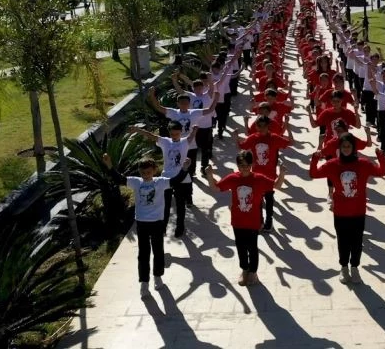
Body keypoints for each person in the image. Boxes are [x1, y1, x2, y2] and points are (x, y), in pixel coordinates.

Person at [102, 153, 190, 298]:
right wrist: (109, 165)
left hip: (157, 223)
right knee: (143, 254)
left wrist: (185, 168)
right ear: (139, 172)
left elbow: (176, 180)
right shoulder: (136, 182)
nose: (146, 175)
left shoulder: (160, 182)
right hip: (142, 223)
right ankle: (144, 283)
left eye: (148, 172)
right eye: (143, 173)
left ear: (154, 170)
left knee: (158, 251)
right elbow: (119, 178)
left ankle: (157, 276)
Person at [310, 135, 385, 285]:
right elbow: (314, 174)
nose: (346, 149)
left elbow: (381, 172)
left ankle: (355, 268)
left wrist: (381, 157)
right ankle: (344, 267)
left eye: (349, 146)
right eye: (343, 146)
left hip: (358, 211)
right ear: (339, 148)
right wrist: (314, 159)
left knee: (357, 242)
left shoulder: (363, 164)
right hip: (341, 212)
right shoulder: (333, 164)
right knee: (343, 241)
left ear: (354, 148)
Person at [206, 150, 287, 286]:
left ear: (251, 164)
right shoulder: (233, 178)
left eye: (246, 165)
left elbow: (276, 185)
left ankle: (253, 272)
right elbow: (216, 187)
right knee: (240, 247)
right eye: (241, 165)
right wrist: (209, 175)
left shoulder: (258, 179)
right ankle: (244, 269)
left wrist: (282, 173)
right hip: (237, 221)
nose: (244, 168)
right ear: (237, 165)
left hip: (253, 221)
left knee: (252, 247)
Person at [129, 122, 197, 238]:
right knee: (164, 205)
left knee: (180, 205)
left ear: (181, 132)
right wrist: (137, 130)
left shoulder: (185, 142)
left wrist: (195, 129)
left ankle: (180, 227)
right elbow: (151, 135)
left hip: (181, 179)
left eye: (177, 133)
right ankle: (163, 227)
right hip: (166, 179)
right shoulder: (165, 142)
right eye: (172, 134)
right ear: (169, 133)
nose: (174, 136)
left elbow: (192, 135)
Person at [234, 116, 293, 232]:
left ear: (268, 126)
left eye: (264, 126)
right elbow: (241, 147)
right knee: (257, 200)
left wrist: (288, 128)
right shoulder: (253, 138)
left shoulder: (274, 138)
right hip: (256, 175)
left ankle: (269, 221)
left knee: (269, 198)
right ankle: (259, 221)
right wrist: (236, 137)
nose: (261, 128)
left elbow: (291, 142)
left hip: (269, 175)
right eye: (258, 126)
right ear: (256, 126)